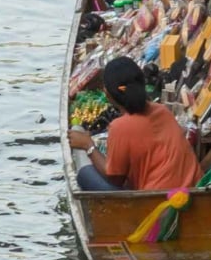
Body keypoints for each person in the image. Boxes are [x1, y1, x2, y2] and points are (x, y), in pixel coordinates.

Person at [68, 57, 201, 192]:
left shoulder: (120, 127)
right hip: (193, 191)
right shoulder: (162, 110)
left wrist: (88, 146)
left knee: (84, 173)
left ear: (107, 93)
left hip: (158, 202)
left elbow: (115, 178)